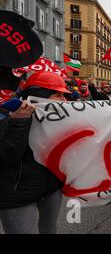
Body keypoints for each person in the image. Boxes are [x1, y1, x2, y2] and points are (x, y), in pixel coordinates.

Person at [0, 72, 70, 234]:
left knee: (50, 229)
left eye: (65, 96)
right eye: (58, 95)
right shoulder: (6, 116)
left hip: (51, 187)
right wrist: (18, 123)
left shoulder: (60, 118)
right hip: (17, 194)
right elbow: (6, 157)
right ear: (39, 97)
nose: (64, 101)